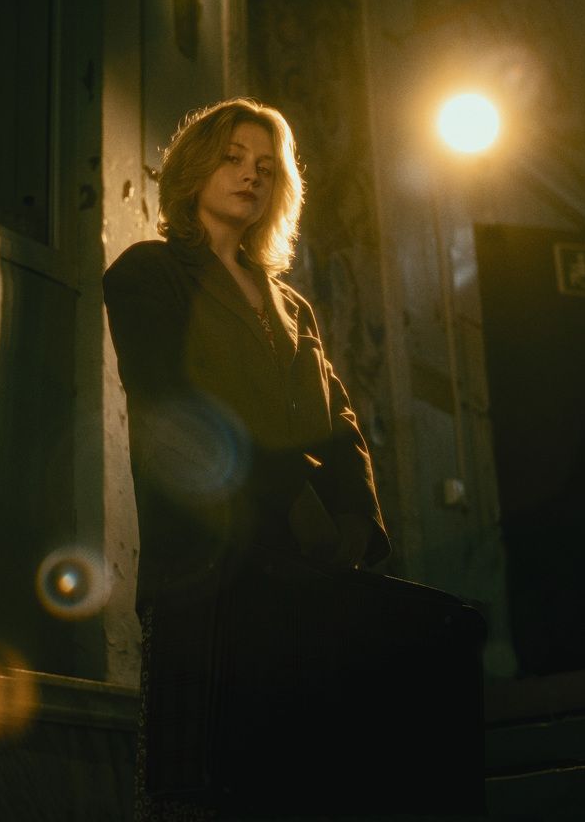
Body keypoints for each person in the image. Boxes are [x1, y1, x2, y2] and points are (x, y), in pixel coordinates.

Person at [103, 97, 391, 820]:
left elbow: (340, 423)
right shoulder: (149, 273)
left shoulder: (293, 305)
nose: (251, 176)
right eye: (232, 158)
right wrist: (292, 499)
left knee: (298, 786)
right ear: (194, 169)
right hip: (206, 569)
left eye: (266, 167)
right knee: (203, 789)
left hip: (307, 573)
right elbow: (176, 409)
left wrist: (355, 524)